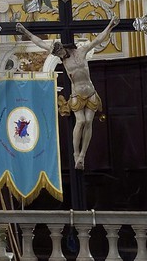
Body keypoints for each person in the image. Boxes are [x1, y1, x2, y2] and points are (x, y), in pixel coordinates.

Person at [16, 17, 118, 169]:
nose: (58, 54)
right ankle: (76, 154)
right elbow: (40, 43)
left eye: (59, 51)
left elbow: (97, 40)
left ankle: (82, 155)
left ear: (65, 48)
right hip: (77, 94)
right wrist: (25, 31)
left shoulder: (81, 52)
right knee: (81, 121)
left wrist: (110, 26)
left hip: (90, 93)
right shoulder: (63, 59)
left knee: (89, 122)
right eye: (57, 53)